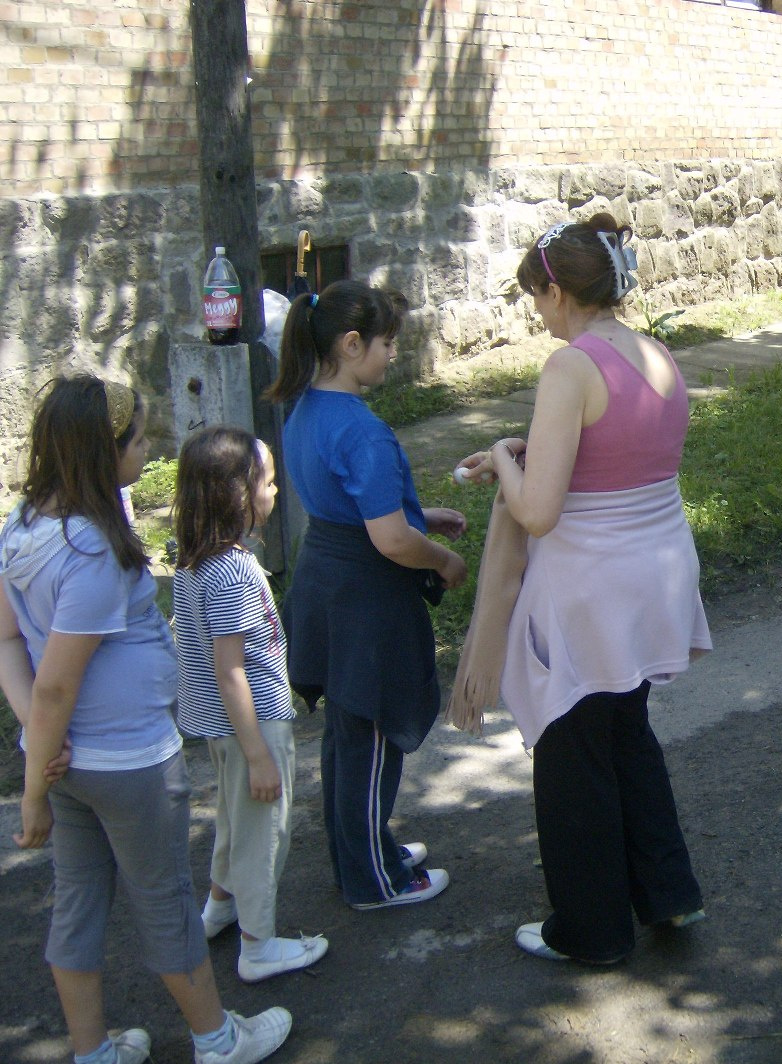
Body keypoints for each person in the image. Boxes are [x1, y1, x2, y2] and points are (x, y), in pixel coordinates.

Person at [0, 377, 291, 1064]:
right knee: (164, 899)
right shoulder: (91, 551)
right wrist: (36, 782)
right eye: (136, 440)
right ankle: (217, 1039)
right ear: (104, 453)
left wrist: (45, 749)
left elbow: (11, 645)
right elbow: (56, 685)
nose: (147, 448)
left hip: (71, 756)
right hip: (125, 759)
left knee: (78, 900)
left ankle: (92, 1049)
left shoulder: (23, 525)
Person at [451, 214, 711, 964]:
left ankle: (592, 932)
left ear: (559, 291)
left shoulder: (569, 368)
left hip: (592, 589)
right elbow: (621, 453)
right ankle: (669, 892)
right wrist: (521, 454)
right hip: (656, 575)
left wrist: (504, 459)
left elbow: (537, 510)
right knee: (626, 728)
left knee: (571, 750)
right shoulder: (655, 353)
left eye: (535, 296)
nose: (536, 312)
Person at [266, 280, 467, 909]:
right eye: (387, 344)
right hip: (366, 601)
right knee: (373, 736)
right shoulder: (363, 430)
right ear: (352, 345)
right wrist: (442, 558)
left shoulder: (304, 410)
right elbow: (388, 540)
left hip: (325, 581)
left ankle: (360, 849)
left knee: (347, 738)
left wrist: (417, 513)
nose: (391, 355)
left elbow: (346, 506)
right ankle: (374, 881)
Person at [172, 426, 329, 982]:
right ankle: (259, 946)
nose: (276, 491)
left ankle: (219, 908)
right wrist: (259, 752)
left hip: (221, 729)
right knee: (265, 833)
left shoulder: (194, 561)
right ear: (238, 495)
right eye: (267, 481)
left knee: (236, 824)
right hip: (252, 727)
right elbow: (232, 669)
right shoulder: (233, 571)